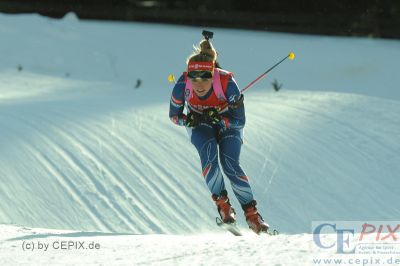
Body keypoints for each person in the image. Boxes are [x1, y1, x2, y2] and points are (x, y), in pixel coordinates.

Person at [169, 35, 269, 234]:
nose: (198, 84)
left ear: (213, 73)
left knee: (230, 164)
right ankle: (224, 206)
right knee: (209, 156)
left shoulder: (226, 82)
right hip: (200, 124)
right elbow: (173, 116)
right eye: (193, 78)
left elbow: (239, 121)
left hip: (228, 124)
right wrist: (188, 120)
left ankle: (252, 215)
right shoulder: (182, 84)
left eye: (205, 78)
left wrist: (221, 119)